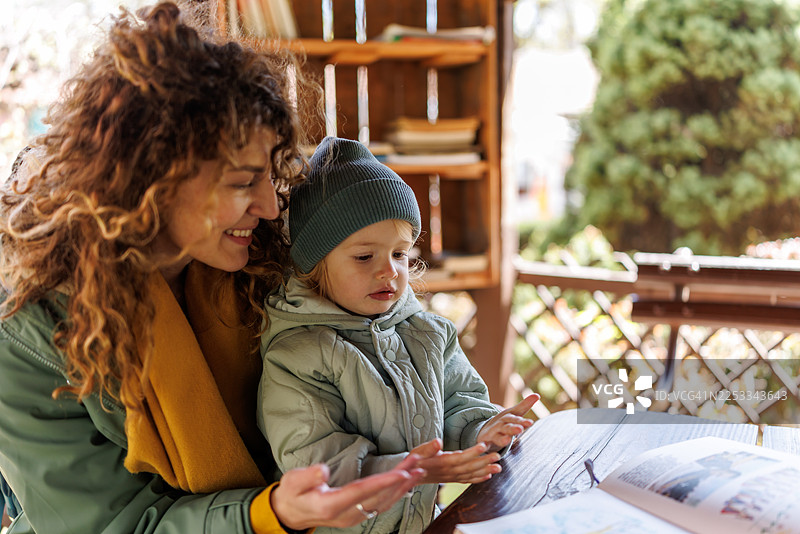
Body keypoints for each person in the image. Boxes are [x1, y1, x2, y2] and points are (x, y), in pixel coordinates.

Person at [0, 4, 427, 533]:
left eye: (270, 174)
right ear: (153, 178)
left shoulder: (262, 258)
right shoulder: (27, 327)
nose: (272, 206)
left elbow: (390, 320)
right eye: (243, 181)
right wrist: (268, 516)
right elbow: (113, 524)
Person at [257, 136, 540, 533]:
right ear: (315, 265)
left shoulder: (429, 334)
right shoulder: (299, 355)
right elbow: (316, 465)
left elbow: (460, 402)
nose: (389, 271)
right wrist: (413, 470)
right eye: (363, 256)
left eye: (399, 254)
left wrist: (482, 430)